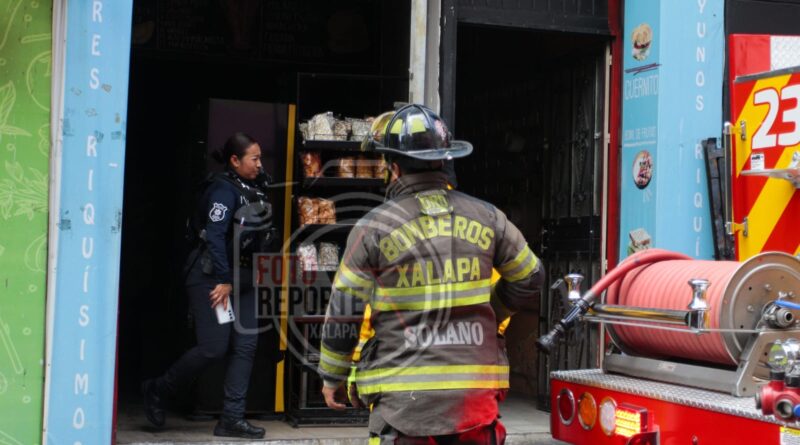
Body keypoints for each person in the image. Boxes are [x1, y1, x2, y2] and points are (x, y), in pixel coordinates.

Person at [318, 104, 544, 444]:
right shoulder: (489, 217)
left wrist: (331, 377)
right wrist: (492, 311)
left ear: (392, 167)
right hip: (474, 404)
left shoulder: (373, 228)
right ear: (443, 160)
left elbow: (345, 308)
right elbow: (531, 277)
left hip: (404, 409)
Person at [142, 132, 272, 439]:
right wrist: (224, 280)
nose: (259, 164)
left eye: (260, 157)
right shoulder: (222, 190)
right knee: (214, 347)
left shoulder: (254, 187)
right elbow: (214, 236)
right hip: (213, 278)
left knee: (246, 347)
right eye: (254, 158)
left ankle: (231, 418)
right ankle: (159, 389)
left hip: (244, 279)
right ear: (235, 160)